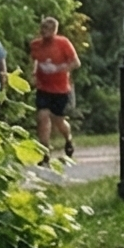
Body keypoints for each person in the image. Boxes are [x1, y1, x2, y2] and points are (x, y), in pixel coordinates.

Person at [26, 15, 81, 158]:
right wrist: (33, 74)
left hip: (61, 88)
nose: (46, 31)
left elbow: (76, 63)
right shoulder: (36, 45)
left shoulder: (63, 43)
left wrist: (58, 68)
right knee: (42, 116)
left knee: (58, 121)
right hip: (43, 87)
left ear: (55, 30)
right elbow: (34, 61)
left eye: (50, 29)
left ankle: (68, 139)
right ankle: (45, 152)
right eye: (44, 28)